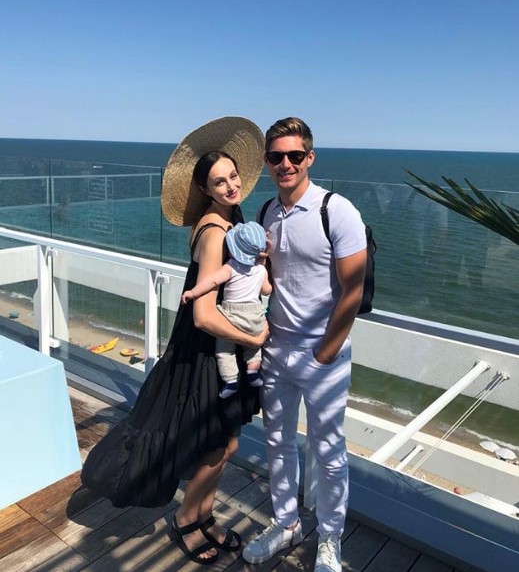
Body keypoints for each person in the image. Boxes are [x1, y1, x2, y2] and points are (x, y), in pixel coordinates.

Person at [80, 116, 268, 566]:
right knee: (218, 446)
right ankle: (187, 520)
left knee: (225, 445)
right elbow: (203, 315)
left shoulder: (233, 218)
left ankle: (202, 515)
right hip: (206, 352)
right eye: (219, 182)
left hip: (221, 349)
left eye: (233, 176)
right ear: (204, 188)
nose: (230, 186)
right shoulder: (215, 233)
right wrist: (255, 335)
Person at [242, 117, 367, 572]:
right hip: (276, 347)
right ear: (266, 162)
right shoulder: (266, 212)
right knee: (277, 441)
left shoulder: (337, 211)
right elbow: (271, 278)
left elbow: (352, 290)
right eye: (276, 157)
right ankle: (286, 523)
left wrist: (326, 351)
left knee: (328, 452)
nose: (286, 164)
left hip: (322, 353)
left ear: (309, 157)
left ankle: (330, 538)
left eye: (295, 155)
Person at [182, 220, 272, 398]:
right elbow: (267, 290)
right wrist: (263, 266)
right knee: (253, 349)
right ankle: (253, 371)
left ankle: (230, 380)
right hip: (254, 315)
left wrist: (193, 292)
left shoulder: (231, 267)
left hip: (232, 314)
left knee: (224, 350)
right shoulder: (260, 271)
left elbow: (212, 281)